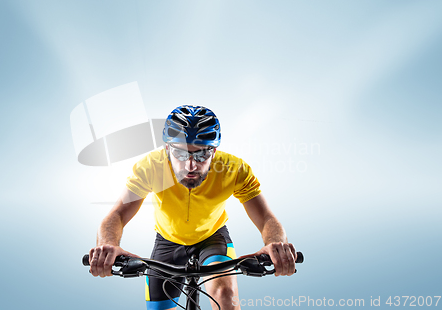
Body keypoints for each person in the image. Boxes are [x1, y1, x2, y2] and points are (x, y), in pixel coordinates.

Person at [89, 105, 297, 310]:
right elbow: (117, 213)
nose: (190, 166)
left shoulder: (234, 169)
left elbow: (266, 217)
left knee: (226, 296)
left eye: (201, 155)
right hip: (167, 243)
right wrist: (107, 245)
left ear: (214, 152)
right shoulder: (151, 167)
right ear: (167, 149)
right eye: (180, 154)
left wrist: (276, 244)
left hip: (212, 238)